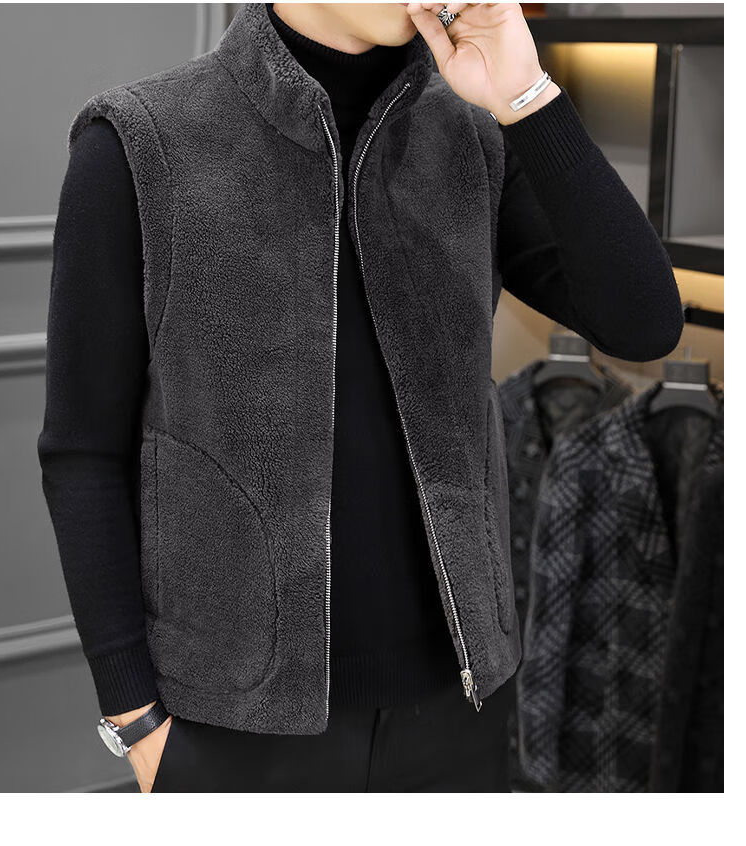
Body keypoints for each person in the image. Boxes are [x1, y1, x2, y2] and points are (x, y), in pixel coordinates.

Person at [37, 2, 684, 793]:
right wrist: (134, 717)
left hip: (460, 708)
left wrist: (526, 92)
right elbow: (83, 451)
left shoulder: (472, 133)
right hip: (236, 726)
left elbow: (644, 324)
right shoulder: (142, 141)